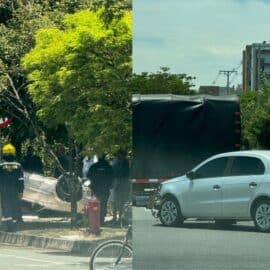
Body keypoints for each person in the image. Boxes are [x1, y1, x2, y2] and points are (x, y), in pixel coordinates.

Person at [0, 143, 24, 232]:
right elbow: (21, 179)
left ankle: (9, 225)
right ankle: (14, 224)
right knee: (15, 206)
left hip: (4, 191)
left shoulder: (1, 166)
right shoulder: (18, 165)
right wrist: (21, 191)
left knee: (6, 207)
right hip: (15, 190)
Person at [87, 154, 113, 225]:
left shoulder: (94, 166)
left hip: (95, 189)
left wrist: (91, 185)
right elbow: (112, 177)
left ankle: (95, 220)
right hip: (105, 189)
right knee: (103, 204)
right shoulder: (108, 167)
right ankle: (101, 220)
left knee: (95, 204)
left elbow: (88, 176)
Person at [112, 149, 130, 223]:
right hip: (119, 182)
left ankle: (120, 217)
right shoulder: (117, 162)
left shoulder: (124, 162)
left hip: (122, 182)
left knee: (121, 201)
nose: (119, 156)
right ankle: (115, 217)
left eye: (120, 155)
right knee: (116, 201)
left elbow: (125, 173)